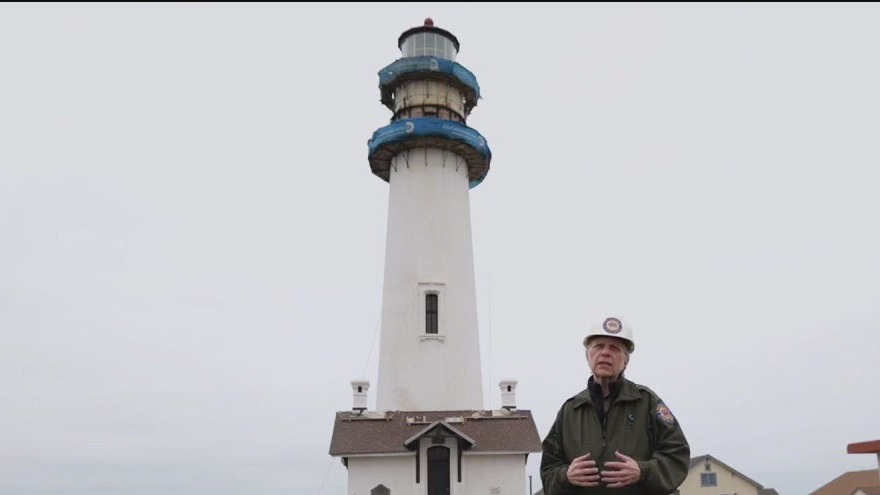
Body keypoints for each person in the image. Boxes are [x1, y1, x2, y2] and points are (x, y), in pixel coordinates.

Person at [540, 316, 690, 495]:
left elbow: (677, 455)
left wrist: (644, 471)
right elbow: (548, 470)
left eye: (614, 348)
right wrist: (566, 476)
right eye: (598, 346)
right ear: (588, 356)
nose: (605, 353)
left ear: (626, 361)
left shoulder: (647, 402)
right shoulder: (570, 410)